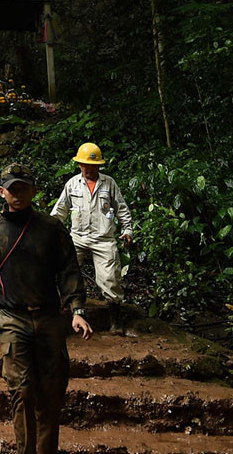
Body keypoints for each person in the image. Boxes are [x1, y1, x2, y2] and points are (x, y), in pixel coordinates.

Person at [0, 165, 91, 454]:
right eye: (13, 189)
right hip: (13, 318)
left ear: (34, 191)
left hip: (48, 317)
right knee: (21, 392)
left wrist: (77, 310)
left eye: (23, 188)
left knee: (51, 394)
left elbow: (69, 270)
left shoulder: (51, 228)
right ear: (2, 192)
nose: (18, 194)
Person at [50, 143, 135, 335]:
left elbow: (121, 208)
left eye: (92, 165)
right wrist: (48, 231)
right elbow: (60, 211)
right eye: (85, 165)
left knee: (110, 278)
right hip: (77, 237)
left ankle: (115, 320)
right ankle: (63, 314)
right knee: (64, 271)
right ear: (79, 164)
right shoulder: (72, 184)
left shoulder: (109, 183)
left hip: (104, 238)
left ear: (99, 165)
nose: (88, 169)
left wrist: (128, 229)